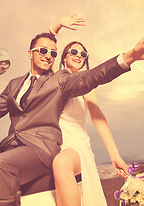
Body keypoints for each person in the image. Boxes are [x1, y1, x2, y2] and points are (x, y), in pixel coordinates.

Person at [0, 15, 144, 206]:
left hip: (42, 149)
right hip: (11, 148)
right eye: (43, 51)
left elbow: (94, 77)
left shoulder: (62, 80)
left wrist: (130, 57)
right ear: (30, 53)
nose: (48, 55)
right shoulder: (14, 84)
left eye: (53, 53)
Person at [48, 16, 128, 206]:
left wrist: (114, 155)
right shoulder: (54, 79)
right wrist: (56, 26)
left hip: (75, 146)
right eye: (73, 51)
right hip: (52, 145)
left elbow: (98, 118)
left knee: (62, 164)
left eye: (83, 55)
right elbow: (48, 49)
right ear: (64, 56)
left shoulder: (87, 86)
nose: (78, 55)